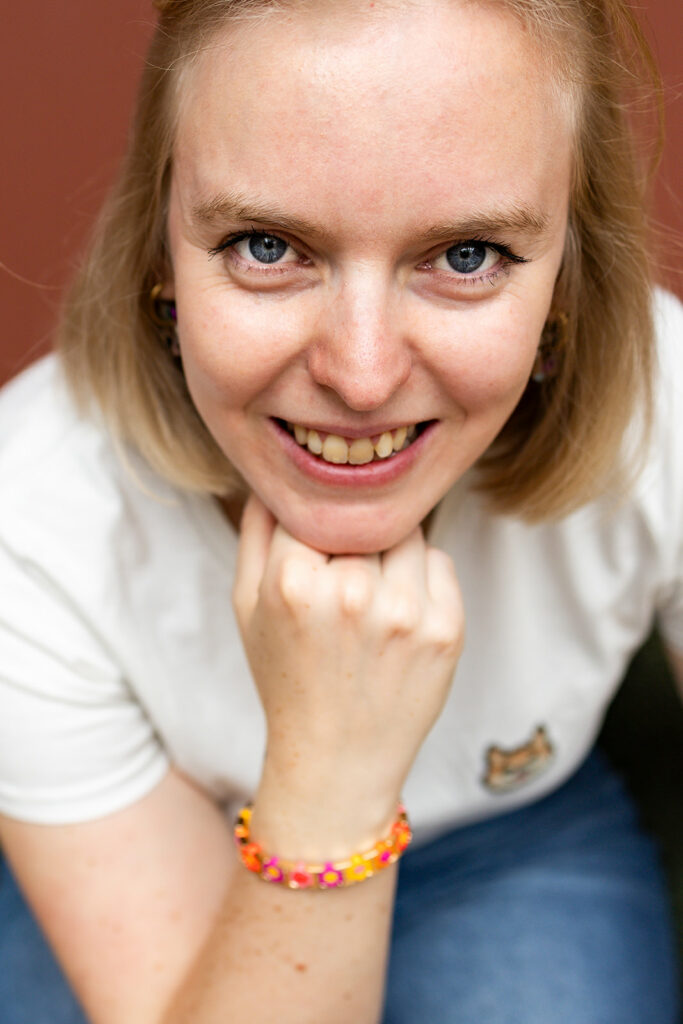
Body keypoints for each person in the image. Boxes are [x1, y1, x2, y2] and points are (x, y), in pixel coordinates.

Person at [0, 0, 680, 1020]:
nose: (360, 378)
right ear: (160, 256)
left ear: (567, 281)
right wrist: (328, 780)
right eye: (266, 246)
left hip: (497, 838)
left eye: (466, 256)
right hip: (155, 834)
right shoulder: (27, 525)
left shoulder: (666, 414)